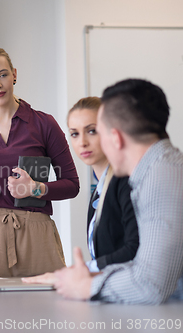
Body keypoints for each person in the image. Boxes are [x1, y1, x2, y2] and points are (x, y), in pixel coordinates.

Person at [24, 79, 183, 304]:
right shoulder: (161, 169)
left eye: (96, 131)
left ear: (114, 137)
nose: (85, 142)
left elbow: (151, 284)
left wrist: (85, 285)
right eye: (75, 134)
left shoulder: (162, 177)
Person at [0, 45, 80, 277]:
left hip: (36, 234)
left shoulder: (44, 124)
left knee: (44, 309)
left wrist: (36, 188)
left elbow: (72, 185)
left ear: (14, 74)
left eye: (2, 75)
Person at [67, 97, 138, 271]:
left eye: (92, 131)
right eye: (74, 134)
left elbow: (135, 250)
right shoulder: (99, 190)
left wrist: (86, 269)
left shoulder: (126, 182)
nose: (82, 142)